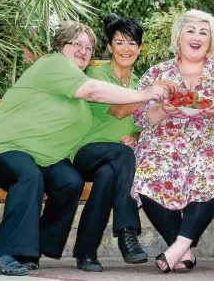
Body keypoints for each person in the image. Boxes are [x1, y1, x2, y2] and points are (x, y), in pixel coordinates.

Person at [0, 21, 168, 276]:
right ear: (60, 46)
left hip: (43, 158)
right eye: (76, 44)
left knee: (70, 182)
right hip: (4, 148)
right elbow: (93, 91)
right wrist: (145, 93)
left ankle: (37, 247)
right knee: (29, 177)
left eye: (88, 47)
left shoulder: (74, 89)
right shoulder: (54, 64)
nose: (83, 50)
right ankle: (6, 253)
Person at [131, 9, 214, 273]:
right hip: (164, 139)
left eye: (204, 32)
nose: (197, 36)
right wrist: (163, 110)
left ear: (211, 40)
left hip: (213, 138)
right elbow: (139, 116)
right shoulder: (157, 72)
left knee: (210, 167)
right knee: (147, 168)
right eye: (191, 30)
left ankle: (175, 249)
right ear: (179, 36)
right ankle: (185, 251)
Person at [68, 14, 162, 272]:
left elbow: (138, 124)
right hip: (84, 152)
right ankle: (128, 231)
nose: (126, 49)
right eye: (119, 42)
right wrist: (149, 93)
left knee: (109, 175)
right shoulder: (95, 75)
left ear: (139, 49)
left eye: (132, 43)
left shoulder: (137, 83)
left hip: (115, 161)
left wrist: (136, 137)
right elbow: (118, 111)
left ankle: (86, 253)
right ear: (109, 46)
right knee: (121, 156)